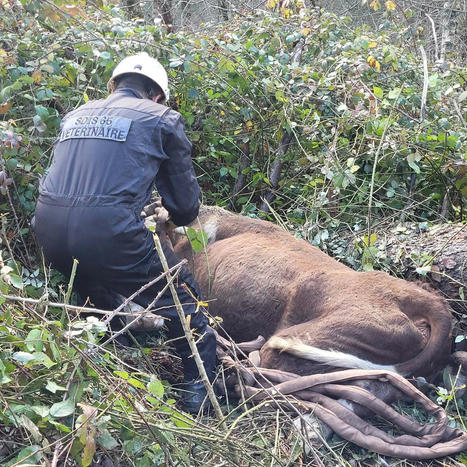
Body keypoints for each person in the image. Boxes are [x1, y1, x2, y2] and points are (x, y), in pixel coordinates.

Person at [32, 52, 217, 413]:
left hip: (47, 230)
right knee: (185, 301)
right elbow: (185, 208)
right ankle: (199, 395)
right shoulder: (163, 119)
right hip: (109, 232)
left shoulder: (75, 116)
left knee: (89, 282)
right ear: (157, 95)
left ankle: (98, 356)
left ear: (112, 86)